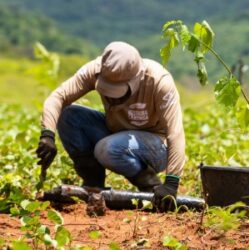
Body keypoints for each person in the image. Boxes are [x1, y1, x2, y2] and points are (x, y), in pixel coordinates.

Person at [36, 41, 185, 211]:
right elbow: (58, 97)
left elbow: (175, 134)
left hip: (156, 146)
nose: (113, 98)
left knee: (107, 148)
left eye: (119, 92)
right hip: (116, 132)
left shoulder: (159, 81)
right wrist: (47, 134)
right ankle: (94, 185)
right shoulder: (96, 69)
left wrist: (171, 183)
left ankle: (149, 183)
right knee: (68, 116)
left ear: (136, 78)